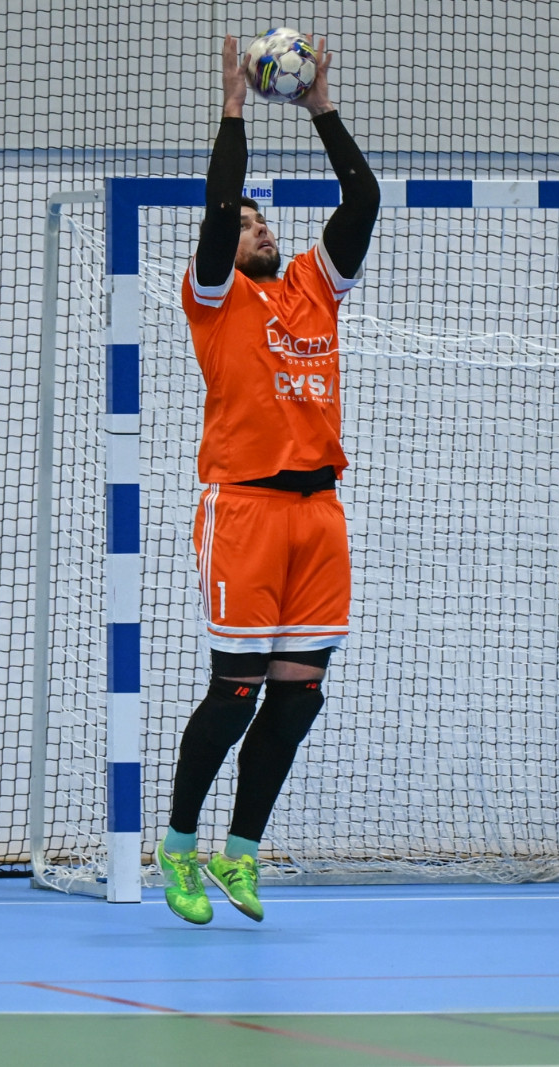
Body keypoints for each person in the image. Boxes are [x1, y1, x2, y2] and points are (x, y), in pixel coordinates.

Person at [157, 34, 380, 925]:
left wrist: (321, 106)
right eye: (250, 223)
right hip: (245, 508)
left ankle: (239, 853)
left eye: (264, 222)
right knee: (236, 693)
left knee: (299, 696)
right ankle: (178, 846)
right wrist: (234, 107)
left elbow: (362, 199)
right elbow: (219, 208)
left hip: (320, 513)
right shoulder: (213, 299)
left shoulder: (312, 288)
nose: (260, 227)